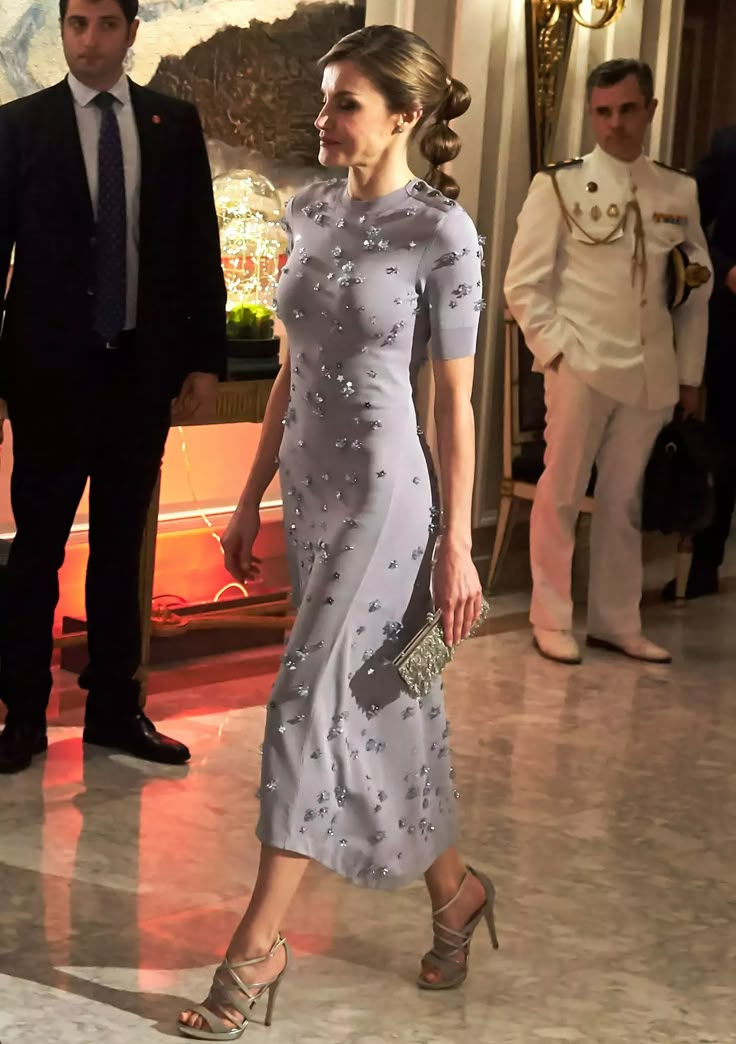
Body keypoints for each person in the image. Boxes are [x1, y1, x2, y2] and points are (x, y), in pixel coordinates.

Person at [177, 24, 497, 1040]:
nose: (322, 119)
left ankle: (255, 951)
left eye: (344, 102)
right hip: (313, 498)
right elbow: (288, 370)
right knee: (389, 702)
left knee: (303, 707)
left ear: (403, 115)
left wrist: (455, 544)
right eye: (323, 100)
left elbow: (454, 404)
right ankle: (456, 896)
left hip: (388, 504)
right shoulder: (310, 209)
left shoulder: (442, 234)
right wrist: (246, 499)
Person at [0, 0, 226, 774]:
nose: (89, 40)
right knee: (36, 550)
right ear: (63, 30)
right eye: (76, 24)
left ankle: (114, 711)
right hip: (48, 377)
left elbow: (200, 243)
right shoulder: (19, 126)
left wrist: (203, 360)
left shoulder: (172, 124)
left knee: (123, 548)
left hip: (138, 372)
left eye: (104, 24)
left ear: (132, 31)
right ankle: (22, 715)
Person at [504, 59, 712, 667]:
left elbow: (693, 292)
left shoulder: (679, 191)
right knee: (562, 492)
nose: (614, 124)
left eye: (626, 110)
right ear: (591, 113)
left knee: (624, 500)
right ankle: (551, 617)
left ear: (650, 109)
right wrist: (559, 353)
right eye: (602, 111)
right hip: (582, 364)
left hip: (650, 371)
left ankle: (617, 622)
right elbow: (523, 286)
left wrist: (689, 375)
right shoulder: (560, 185)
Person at [662, 126, 736, 600]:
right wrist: (727, 268)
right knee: (727, 444)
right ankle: (705, 564)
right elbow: (688, 233)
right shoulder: (729, 146)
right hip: (735, 323)